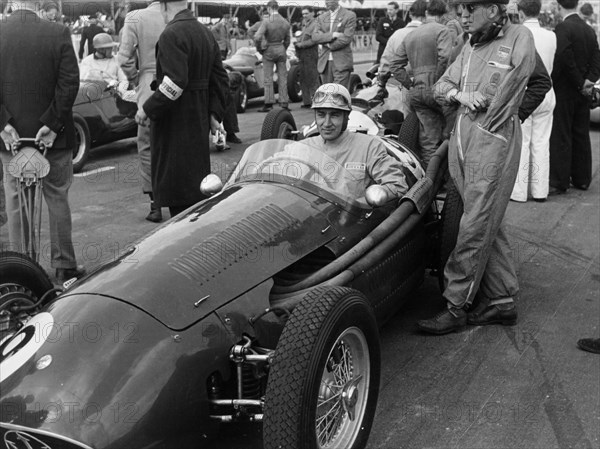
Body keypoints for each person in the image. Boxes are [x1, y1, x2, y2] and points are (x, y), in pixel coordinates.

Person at [421, 0, 538, 334]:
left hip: (493, 140)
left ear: (495, 9)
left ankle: (456, 304)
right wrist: (461, 95)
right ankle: (502, 301)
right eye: (461, 8)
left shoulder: (519, 37)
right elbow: (439, 87)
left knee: (474, 223)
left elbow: (518, 81)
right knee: (487, 219)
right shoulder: (471, 47)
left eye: (472, 7)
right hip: (463, 139)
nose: (464, 14)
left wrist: (487, 114)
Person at [0, 0, 85, 282]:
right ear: (39, 3)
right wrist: (51, 123)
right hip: (53, 139)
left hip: (11, 139)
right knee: (57, 197)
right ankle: (64, 268)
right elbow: (70, 82)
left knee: (16, 201)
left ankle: (22, 272)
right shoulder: (58, 32)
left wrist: (3, 125)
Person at [135, 0, 229, 218]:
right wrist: (214, 114)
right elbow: (221, 79)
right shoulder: (205, 33)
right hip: (198, 122)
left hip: (174, 125)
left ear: (163, 7)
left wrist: (147, 109)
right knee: (197, 194)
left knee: (178, 201)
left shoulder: (170, 34)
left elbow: (174, 83)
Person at [302, 83, 409, 200]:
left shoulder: (369, 147)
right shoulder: (303, 147)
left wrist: (379, 193)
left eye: (334, 115)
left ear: (346, 117)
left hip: (350, 215)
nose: (327, 123)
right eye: (321, 115)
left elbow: (397, 185)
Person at [118, 0, 166, 223]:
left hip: (149, 82)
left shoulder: (135, 17)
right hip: (179, 82)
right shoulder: (178, 14)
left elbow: (125, 57)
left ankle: (155, 203)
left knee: (147, 143)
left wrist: (136, 78)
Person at [388, 0, 452, 167]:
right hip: (440, 90)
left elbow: (394, 64)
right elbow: (445, 57)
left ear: (426, 14)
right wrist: (438, 81)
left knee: (428, 140)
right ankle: (450, 176)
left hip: (417, 90)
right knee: (452, 131)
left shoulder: (411, 35)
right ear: (443, 15)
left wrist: (410, 84)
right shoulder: (443, 30)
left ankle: (431, 179)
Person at [548, 0, 600, 195]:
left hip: (565, 90)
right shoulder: (588, 30)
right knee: (581, 134)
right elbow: (597, 57)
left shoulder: (562, 28)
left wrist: (579, 82)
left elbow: (563, 57)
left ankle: (560, 180)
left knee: (562, 134)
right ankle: (582, 178)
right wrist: (588, 81)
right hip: (584, 91)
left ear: (559, 5)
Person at [510, 0, 556, 203]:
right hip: (547, 92)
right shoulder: (551, 35)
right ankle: (540, 190)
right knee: (541, 143)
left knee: (523, 143)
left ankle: (519, 192)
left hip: (525, 92)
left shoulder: (518, 35)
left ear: (520, 13)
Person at [254, 1, 291, 112]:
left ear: (269, 8)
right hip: (281, 48)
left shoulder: (266, 21)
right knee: (283, 77)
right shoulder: (285, 22)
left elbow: (257, 37)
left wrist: (260, 49)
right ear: (278, 8)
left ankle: (269, 103)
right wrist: (283, 47)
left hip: (269, 50)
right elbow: (288, 40)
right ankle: (284, 102)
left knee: (268, 78)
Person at [312, 0, 357, 89]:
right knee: (327, 93)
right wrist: (333, 35)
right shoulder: (321, 18)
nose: (327, 2)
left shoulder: (349, 15)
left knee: (339, 94)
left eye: (330, 0)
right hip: (324, 63)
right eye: (326, 1)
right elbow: (315, 37)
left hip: (341, 62)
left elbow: (346, 38)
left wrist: (327, 44)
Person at [294, 6, 321, 108]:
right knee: (303, 78)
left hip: (310, 54)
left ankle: (317, 102)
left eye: (306, 13)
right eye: (303, 14)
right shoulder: (305, 25)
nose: (304, 15)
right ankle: (307, 101)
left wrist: (302, 44)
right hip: (302, 55)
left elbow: (315, 40)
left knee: (312, 78)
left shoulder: (315, 24)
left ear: (312, 13)